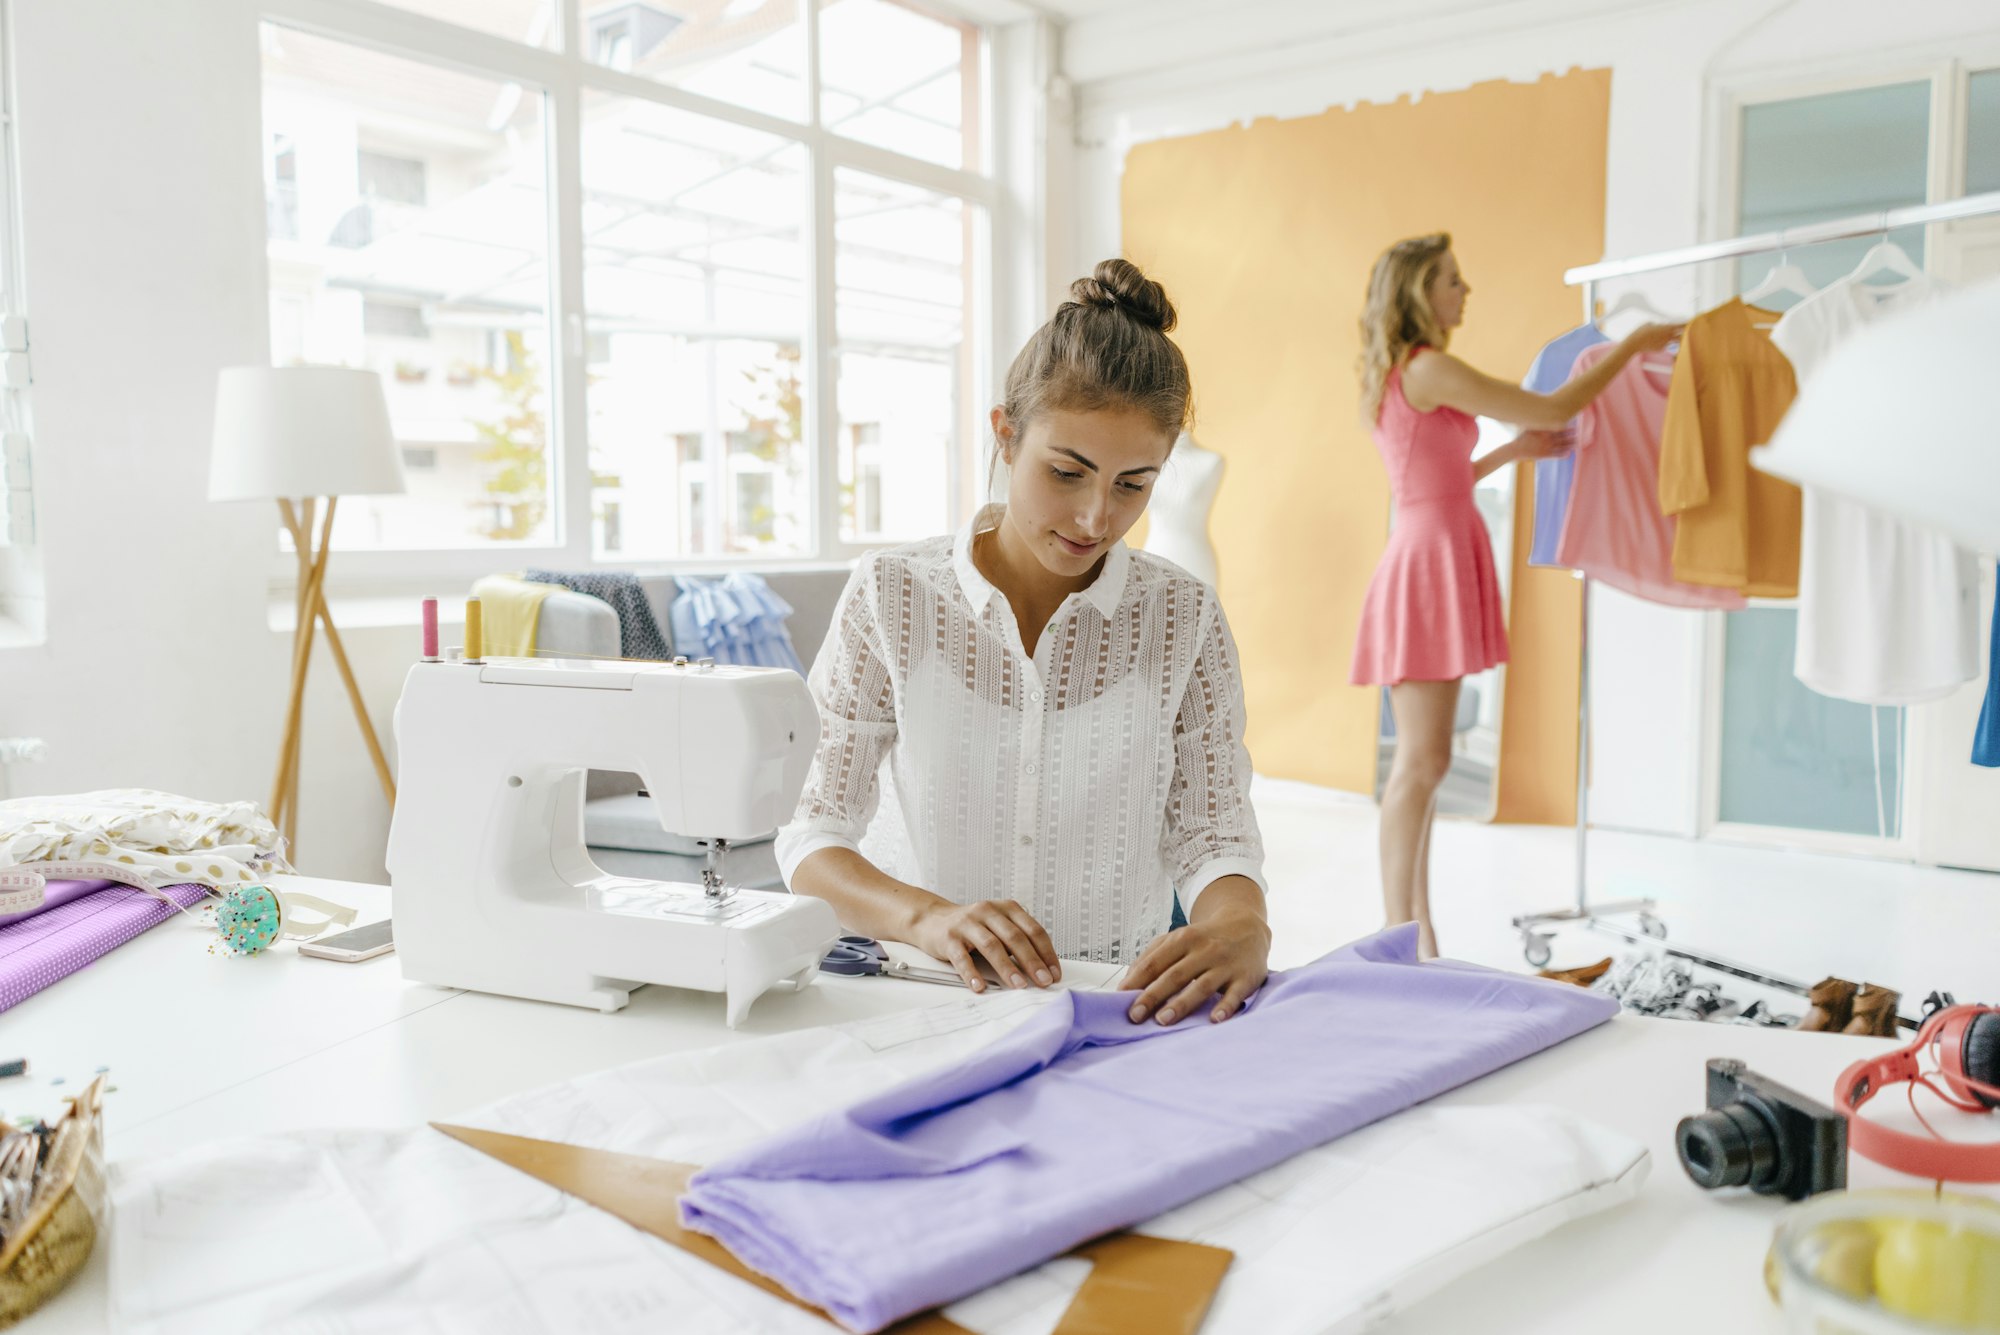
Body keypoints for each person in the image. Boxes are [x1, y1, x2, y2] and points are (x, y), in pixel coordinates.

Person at [779, 259, 1270, 1028]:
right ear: (1006, 434)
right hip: (924, 1003)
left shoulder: (1184, 616)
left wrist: (1243, 920)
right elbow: (812, 834)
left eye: (1134, 484)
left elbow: (1214, 834)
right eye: (1067, 472)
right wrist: (927, 918)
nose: (1094, 518)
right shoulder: (891, 594)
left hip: (1112, 1016)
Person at [1351, 233, 1678, 958]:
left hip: (1436, 546)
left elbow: (1437, 473)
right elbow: (1552, 403)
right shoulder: (1429, 366)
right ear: (1417, 294)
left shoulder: (1410, 372)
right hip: (1428, 562)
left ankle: (1418, 930)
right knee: (1421, 764)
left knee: (1426, 762)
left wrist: (1510, 454)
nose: (1465, 292)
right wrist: (1635, 347)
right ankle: (1394, 932)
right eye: (1451, 281)